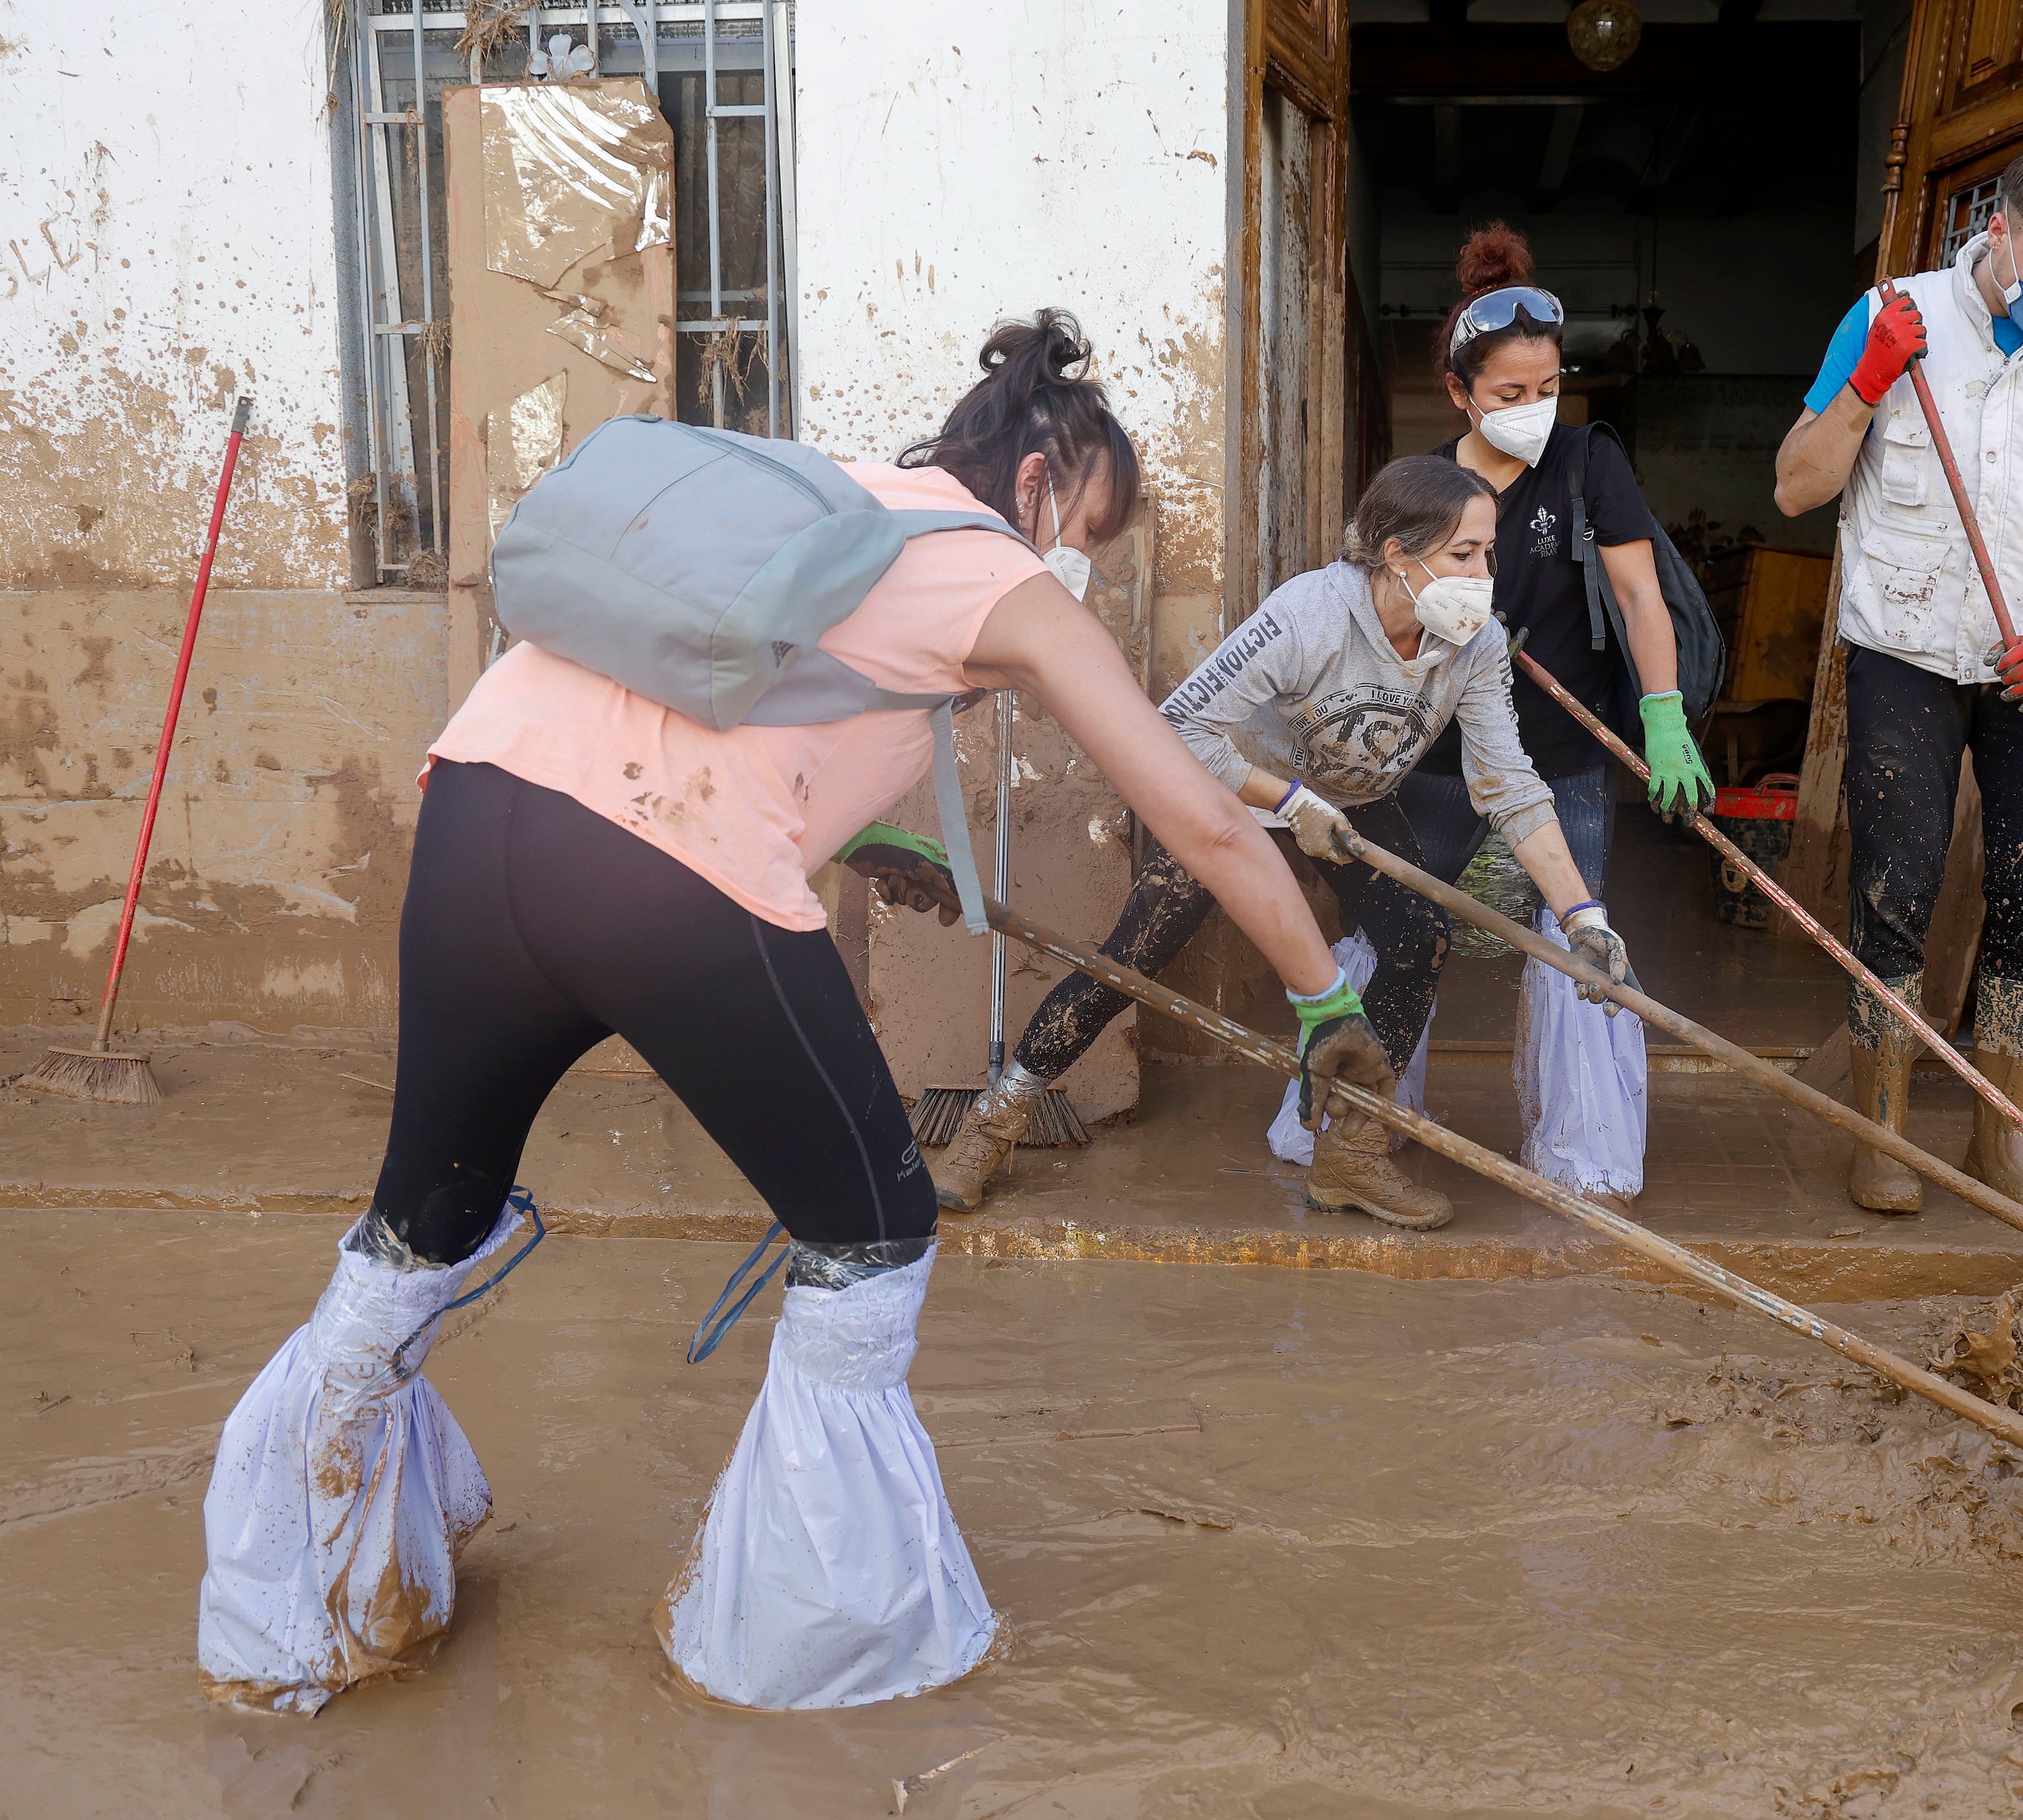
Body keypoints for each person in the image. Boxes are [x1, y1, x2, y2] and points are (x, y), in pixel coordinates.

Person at [193, 312, 1401, 1716]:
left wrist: (873, 844)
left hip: (472, 812)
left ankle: (299, 1613)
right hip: (660, 877)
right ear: (1037, 485)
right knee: (872, 1234)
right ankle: (803, 1653)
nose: (1087, 568)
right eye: (1094, 531)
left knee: (425, 1218)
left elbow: (720, 716)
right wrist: (1323, 999)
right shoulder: (999, 575)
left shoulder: (822, 503)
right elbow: (1196, 814)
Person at [918, 454, 1635, 1232]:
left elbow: (1511, 787)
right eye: (1464, 554)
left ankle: (1352, 1152)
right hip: (1241, 793)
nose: (1483, 574)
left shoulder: (1477, 646)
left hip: (1355, 801)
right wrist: (1290, 799)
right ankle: (993, 1124)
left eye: (1488, 554)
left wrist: (1583, 918)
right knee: (1131, 956)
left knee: (1419, 937)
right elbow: (1179, 730)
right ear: (1397, 553)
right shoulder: (1310, 616)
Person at [1771, 143, 2023, 1220]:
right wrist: (1865, 382)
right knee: (1894, 890)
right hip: (1905, 648)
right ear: (1997, 230)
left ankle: (2004, 1142)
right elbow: (1797, 487)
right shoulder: (1894, 315)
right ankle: (1882, 1138)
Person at [1398, 223, 1709, 1210]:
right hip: (1442, 750)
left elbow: (1640, 595)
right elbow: (1383, 619)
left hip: (1567, 749)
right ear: (1459, 394)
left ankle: (1581, 1147)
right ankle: (1359, 1116)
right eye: (1507, 396)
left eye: (1547, 390)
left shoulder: (1588, 461)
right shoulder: (1422, 487)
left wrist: (1663, 715)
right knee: (1403, 919)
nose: (1534, 412)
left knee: (1577, 928)